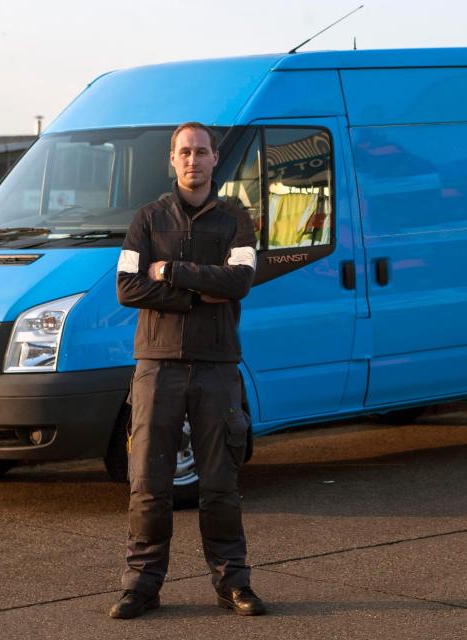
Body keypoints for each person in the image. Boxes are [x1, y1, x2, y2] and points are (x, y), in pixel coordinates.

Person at [110, 122, 265, 619]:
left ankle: (233, 585)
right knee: (148, 484)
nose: (193, 160)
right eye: (184, 152)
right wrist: (203, 292)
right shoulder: (148, 219)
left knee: (220, 482)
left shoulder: (236, 220)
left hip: (217, 366)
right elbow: (127, 288)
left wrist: (173, 272)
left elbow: (240, 281)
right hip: (157, 367)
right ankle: (141, 586)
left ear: (215, 158)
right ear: (171, 159)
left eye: (201, 151)